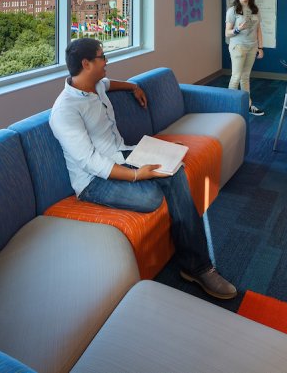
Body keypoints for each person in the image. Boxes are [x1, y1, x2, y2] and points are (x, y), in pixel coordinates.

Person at [49, 38, 237, 299]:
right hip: (94, 181)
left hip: (123, 153)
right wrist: (138, 174)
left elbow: (109, 84)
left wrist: (133, 86)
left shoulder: (95, 85)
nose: (107, 62)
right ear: (86, 63)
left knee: (175, 169)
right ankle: (193, 258)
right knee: (152, 197)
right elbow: (90, 161)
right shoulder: (64, 111)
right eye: (103, 57)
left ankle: (198, 267)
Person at [225, 0, 265, 116]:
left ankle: (247, 105)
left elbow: (258, 29)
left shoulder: (255, 9)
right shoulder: (233, 10)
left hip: (252, 47)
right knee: (236, 76)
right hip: (238, 47)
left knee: (245, 77)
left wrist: (260, 47)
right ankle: (230, 107)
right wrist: (238, 29)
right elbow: (227, 33)